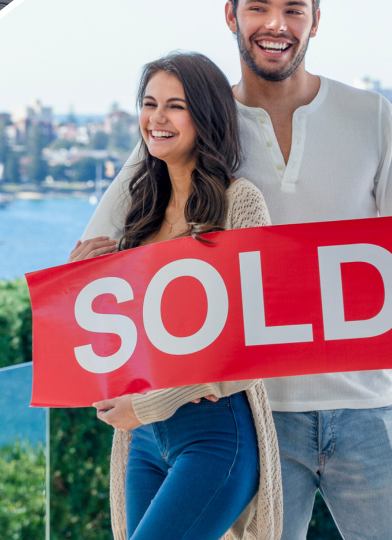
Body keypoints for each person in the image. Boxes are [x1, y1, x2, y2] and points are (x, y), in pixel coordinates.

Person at [82, 1, 392, 538]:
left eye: (293, 9)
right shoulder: (195, 117)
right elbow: (101, 250)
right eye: (258, 7)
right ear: (231, 15)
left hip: (370, 406)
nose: (275, 24)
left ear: (316, 20)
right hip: (258, 414)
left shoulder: (375, 117)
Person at [74, 52, 280, 540]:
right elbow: (117, 336)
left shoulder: (240, 202)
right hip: (140, 439)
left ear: (205, 116)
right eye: (149, 104)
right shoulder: (139, 209)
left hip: (213, 433)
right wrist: (79, 281)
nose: (157, 119)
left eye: (175, 106)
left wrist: (149, 406)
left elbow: (258, 338)